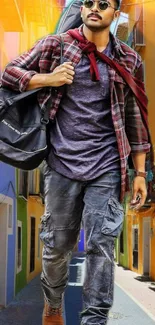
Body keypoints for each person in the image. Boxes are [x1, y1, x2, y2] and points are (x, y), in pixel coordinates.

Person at [1, 0, 150, 324]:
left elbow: (135, 115)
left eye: (103, 4)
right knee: (56, 247)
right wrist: (47, 79)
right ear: (81, 10)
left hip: (108, 166)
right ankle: (53, 303)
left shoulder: (129, 59)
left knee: (102, 245)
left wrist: (140, 172)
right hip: (61, 163)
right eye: (88, 3)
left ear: (114, 13)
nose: (94, 8)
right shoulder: (56, 46)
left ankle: (94, 318)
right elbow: (10, 73)